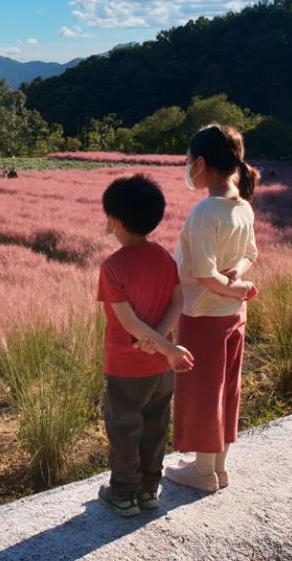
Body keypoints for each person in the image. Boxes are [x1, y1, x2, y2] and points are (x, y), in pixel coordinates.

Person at [163, 124, 259, 493]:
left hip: (203, 315)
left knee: (202, 389)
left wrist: (237, 287)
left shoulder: (205, 212)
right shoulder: (243, 206)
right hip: (234, 317)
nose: (187, 167)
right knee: (227, 387)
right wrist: (239, 278)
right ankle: (217, 467)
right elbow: (250, 253)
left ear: (201, 163)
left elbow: (204, 275)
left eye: (188, 161)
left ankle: (203, 473)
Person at [96, 174, 194, 517]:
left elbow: (129, 323)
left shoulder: (113, 267)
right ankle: (150, 491)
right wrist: (164, 341)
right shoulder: (164, 257)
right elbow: (177, 301)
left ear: (115, 221)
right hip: (160, 369)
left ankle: (122, 494)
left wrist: (161, 346)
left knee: (124, 427)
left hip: (126, 367)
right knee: (155, 425)